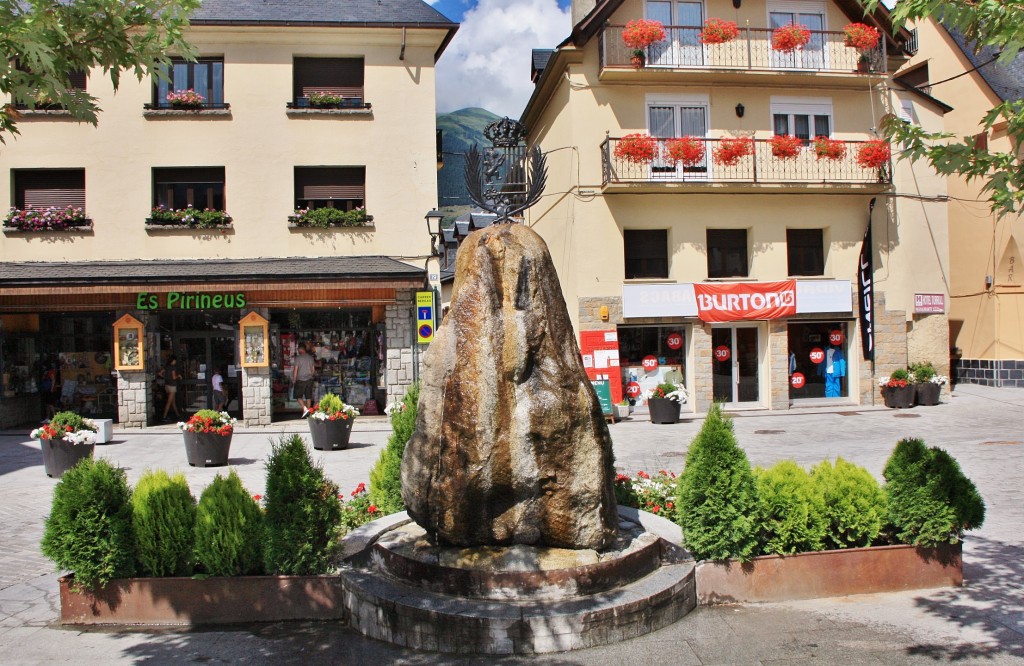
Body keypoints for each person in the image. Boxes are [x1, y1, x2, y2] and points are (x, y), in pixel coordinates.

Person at [292, 343, 317, 418]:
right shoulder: (310, 358)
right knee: (308, 396)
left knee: (297, 396)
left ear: (300, 349)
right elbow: (313, 370)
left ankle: (305, 408)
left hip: (300, 379)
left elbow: (295, 370)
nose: (297, 350)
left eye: (298, 349)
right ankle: (309, 413)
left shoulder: (298, 358)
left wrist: (294, 380)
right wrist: (310, 375)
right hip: (309, 379)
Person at [160, 356, 181, 421]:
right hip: (172, 386)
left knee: (173, 401)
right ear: (173, 361)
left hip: (167, 385)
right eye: (175, 360)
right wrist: (179, 376)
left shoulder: (166, 367)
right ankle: (164, 417)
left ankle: (178, 415)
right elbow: (174, 377)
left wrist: (165, 377)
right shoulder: (173, 367)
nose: (175, 362)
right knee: (169, 402)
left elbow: (159, 373)